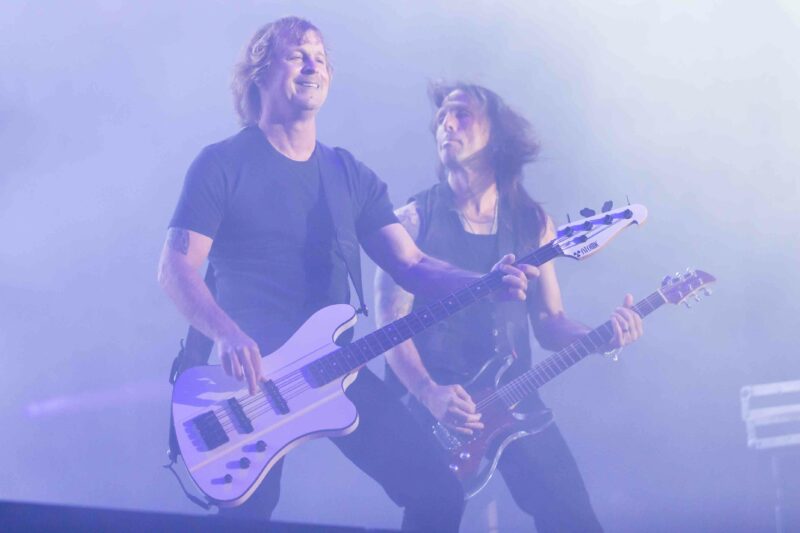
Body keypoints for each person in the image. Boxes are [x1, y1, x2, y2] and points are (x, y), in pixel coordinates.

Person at [157, 19, 537, 531]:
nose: (312, 66)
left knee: (439, 494)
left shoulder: (346, 174)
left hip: (333, 368)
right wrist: (226, 334)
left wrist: (485, 282)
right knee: (250, 515)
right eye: (297, 55)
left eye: (320, 58)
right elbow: (176, 268)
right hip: (248, 382)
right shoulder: (222, 163)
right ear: (259, 72)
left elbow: (413, 264)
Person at [374, 82, 644, 532]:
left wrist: (599, 337)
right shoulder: (411, 221)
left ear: (496, 135)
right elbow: (390, 328)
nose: (446, 125)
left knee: (574, 518)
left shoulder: (530, 222)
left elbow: (549, 322)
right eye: (441, 117)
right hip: (439, 408)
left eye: (461, 114)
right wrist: (429, 393)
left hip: (514, 398)